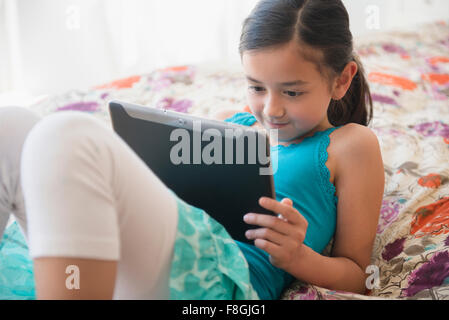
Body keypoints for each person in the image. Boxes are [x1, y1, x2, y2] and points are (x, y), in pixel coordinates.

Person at [0, 0, 384, 300]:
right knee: (12, 125)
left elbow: (360, 274)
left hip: (218, 280)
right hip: (141, 252)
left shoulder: (350, 145)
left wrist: (300, 258)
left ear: (342, 80)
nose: (271, 108)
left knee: (66, 135)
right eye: (256, 87)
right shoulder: (229, 124)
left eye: (293, 91)